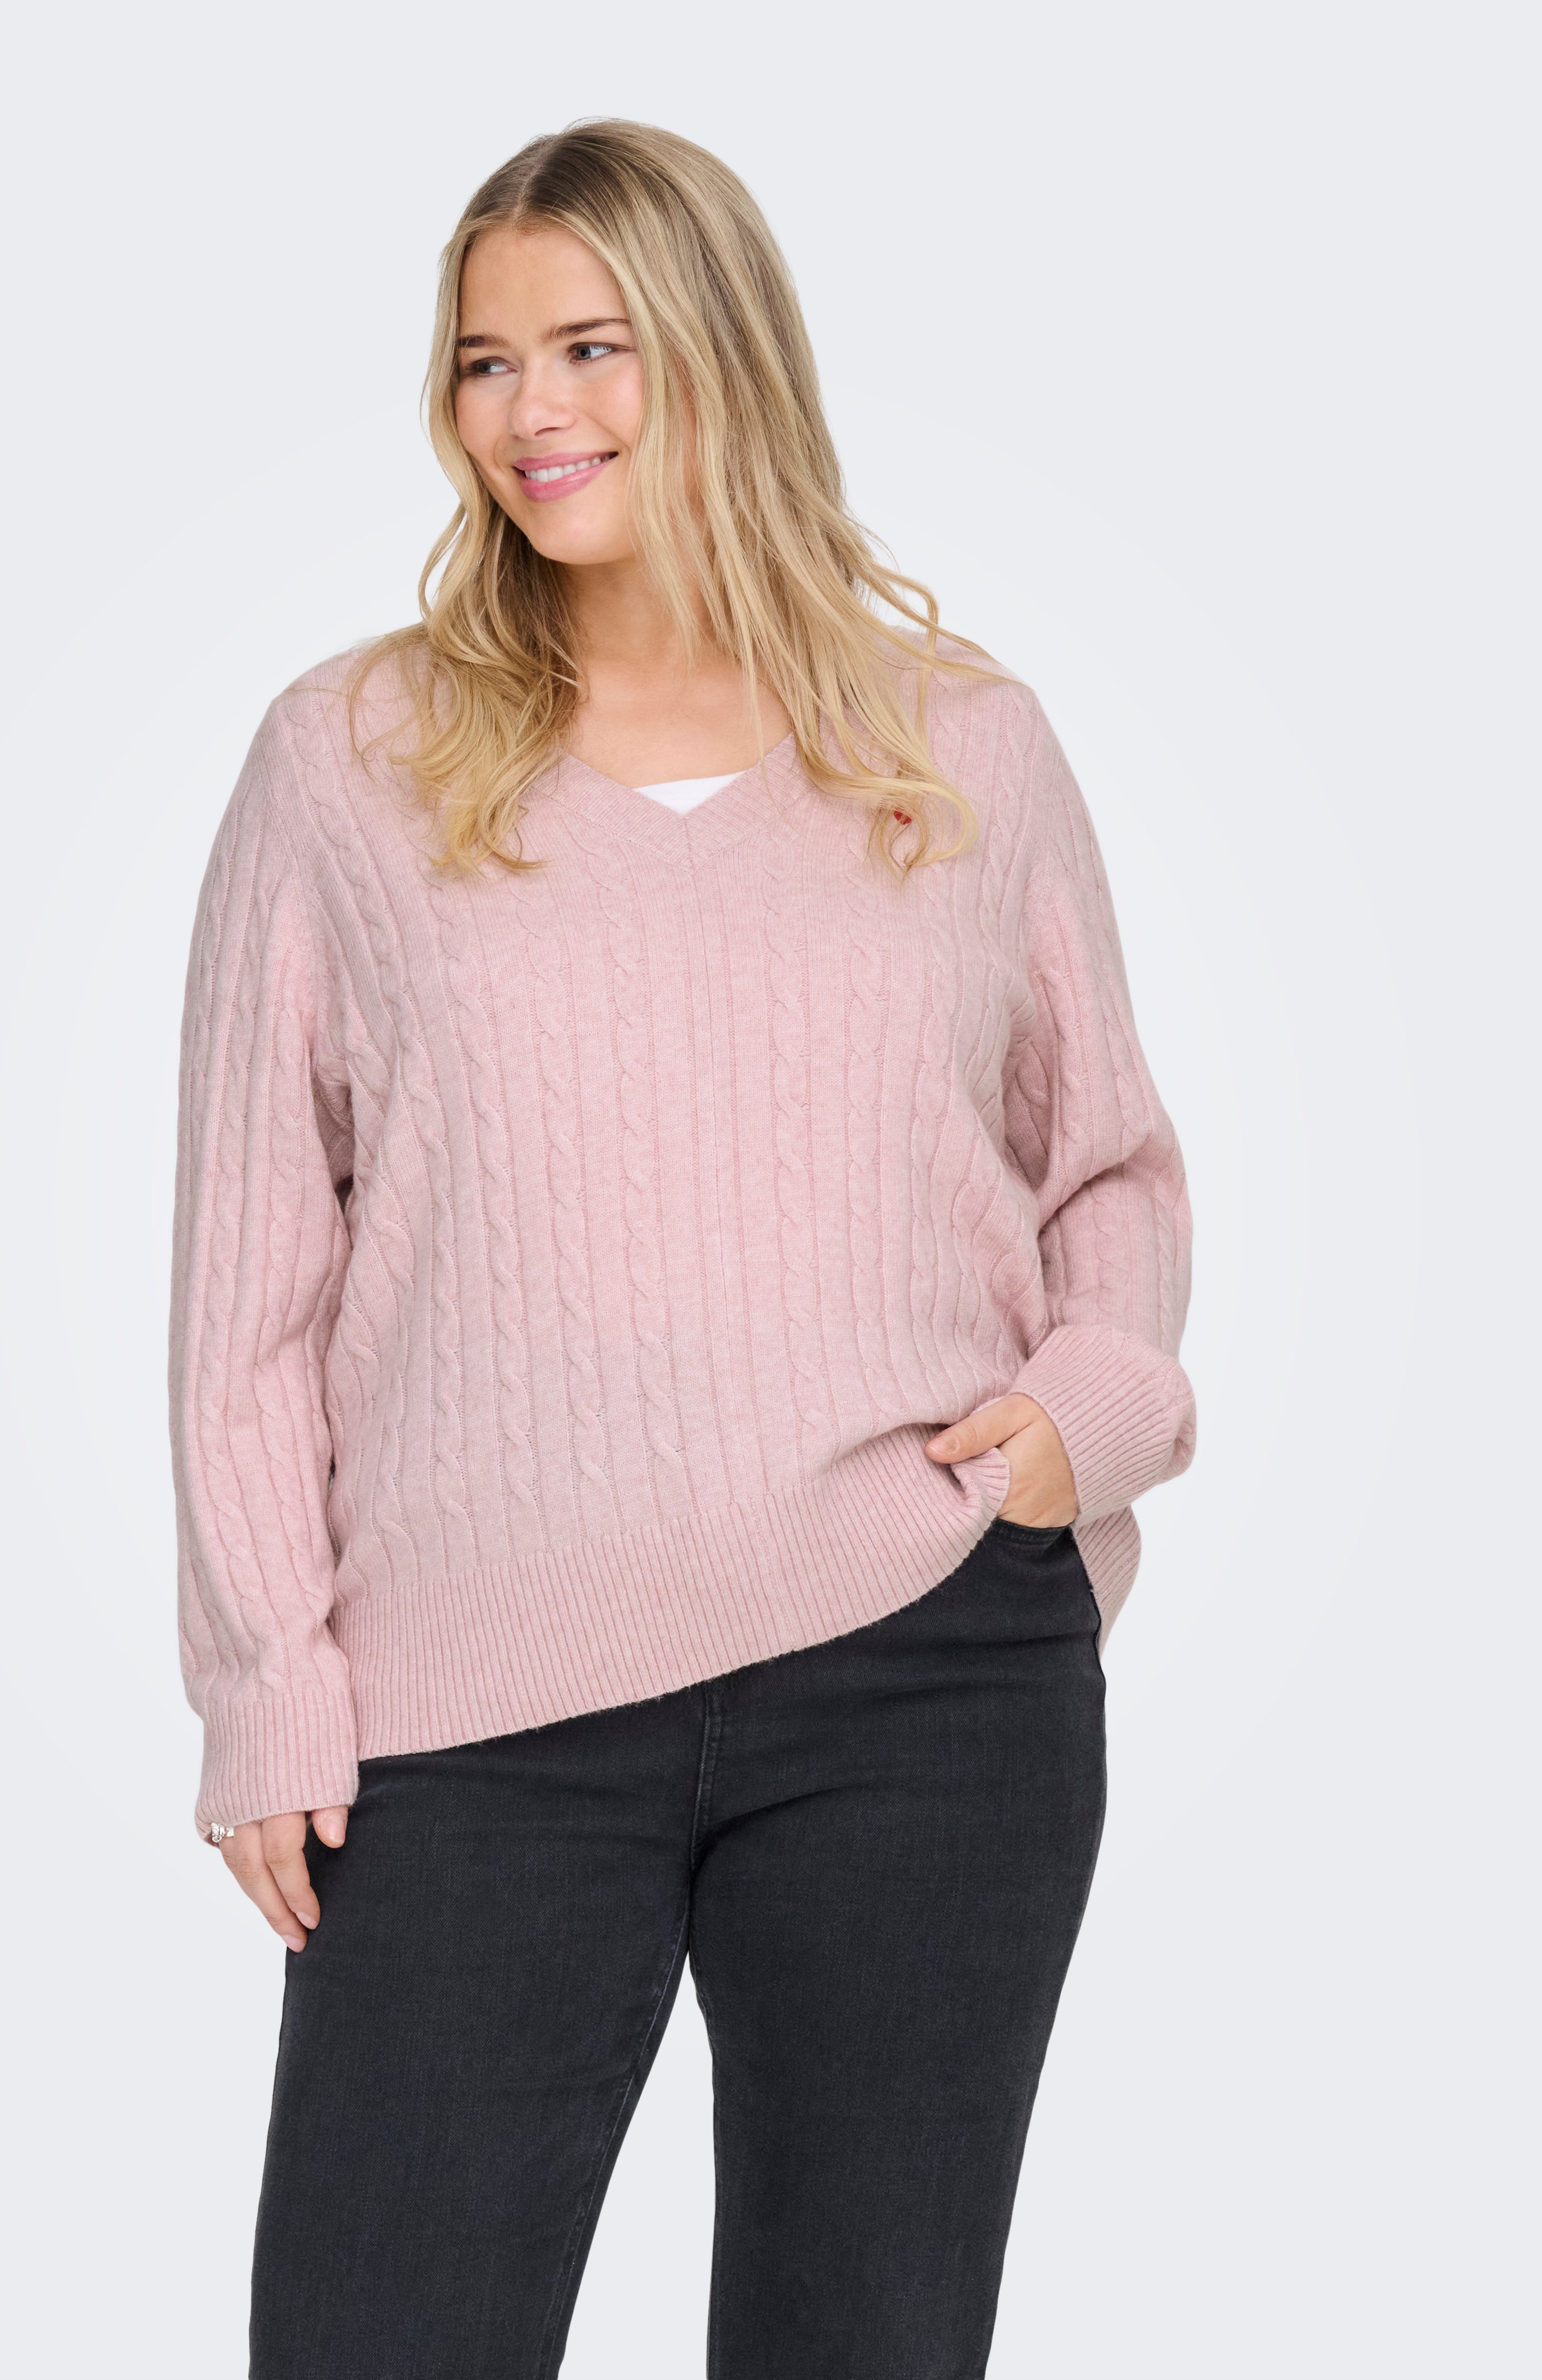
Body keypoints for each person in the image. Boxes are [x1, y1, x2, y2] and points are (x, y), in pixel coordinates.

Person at [169, 117, 1196, 2380]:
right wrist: (268, 1681)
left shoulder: (960, 747)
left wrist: (1079, 1422)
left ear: (720, 353)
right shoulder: (350, 760)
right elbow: (249, 1282)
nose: (530, 411)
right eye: (485, 362)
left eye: (591, 347)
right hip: (469, 1713)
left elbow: (1106, 1166)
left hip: (925, 1675)